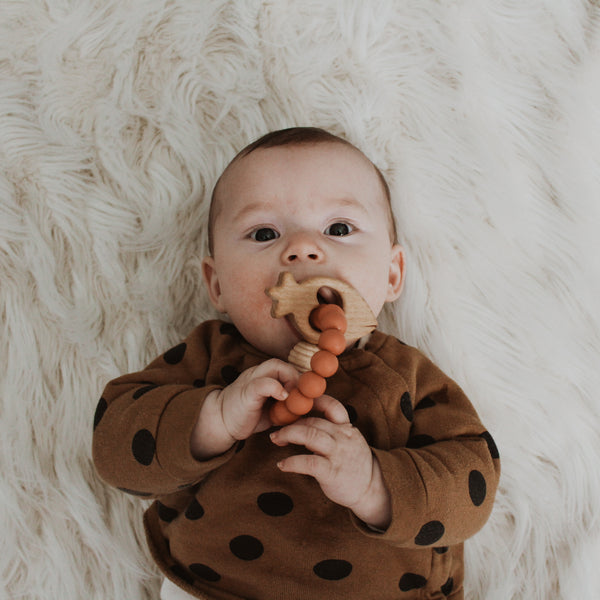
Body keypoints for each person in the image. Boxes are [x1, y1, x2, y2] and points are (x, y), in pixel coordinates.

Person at [92, 127, 500, 600]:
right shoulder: (209, 358)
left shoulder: (403, 377)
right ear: (217, 283)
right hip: (212, 587)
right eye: (264, 233)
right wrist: (213, 420)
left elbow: (474, 481)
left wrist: (374, 485)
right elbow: (114, 448)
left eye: (339, 229)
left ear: (392, 275)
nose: (304, 249)